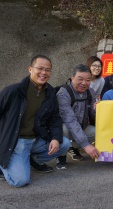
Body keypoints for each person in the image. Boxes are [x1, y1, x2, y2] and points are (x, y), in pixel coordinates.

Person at [0, 55, 71, 187]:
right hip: (16, 142)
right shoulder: (13, 91)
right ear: (30, 69)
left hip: (37, 140)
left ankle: (32, 160)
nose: (44, 73)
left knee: (64, 144)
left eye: (48, 70)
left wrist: (56, 138)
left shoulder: (50, 92)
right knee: (21, 181)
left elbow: (54, 118)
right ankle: (3, 160)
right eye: (40, 68)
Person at [56, 64, 99, 168]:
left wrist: (96, 109)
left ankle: (74, 147)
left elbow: (93, 116)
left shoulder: (91, 92)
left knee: (98, 132)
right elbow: (69, 120)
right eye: (80, 79)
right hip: (65, 127)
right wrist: (86, 145)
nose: (84, 83)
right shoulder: (63, 93)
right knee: (65, 129)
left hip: (82, 126)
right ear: (72, 78)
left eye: (88, 80)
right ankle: (61, 156)